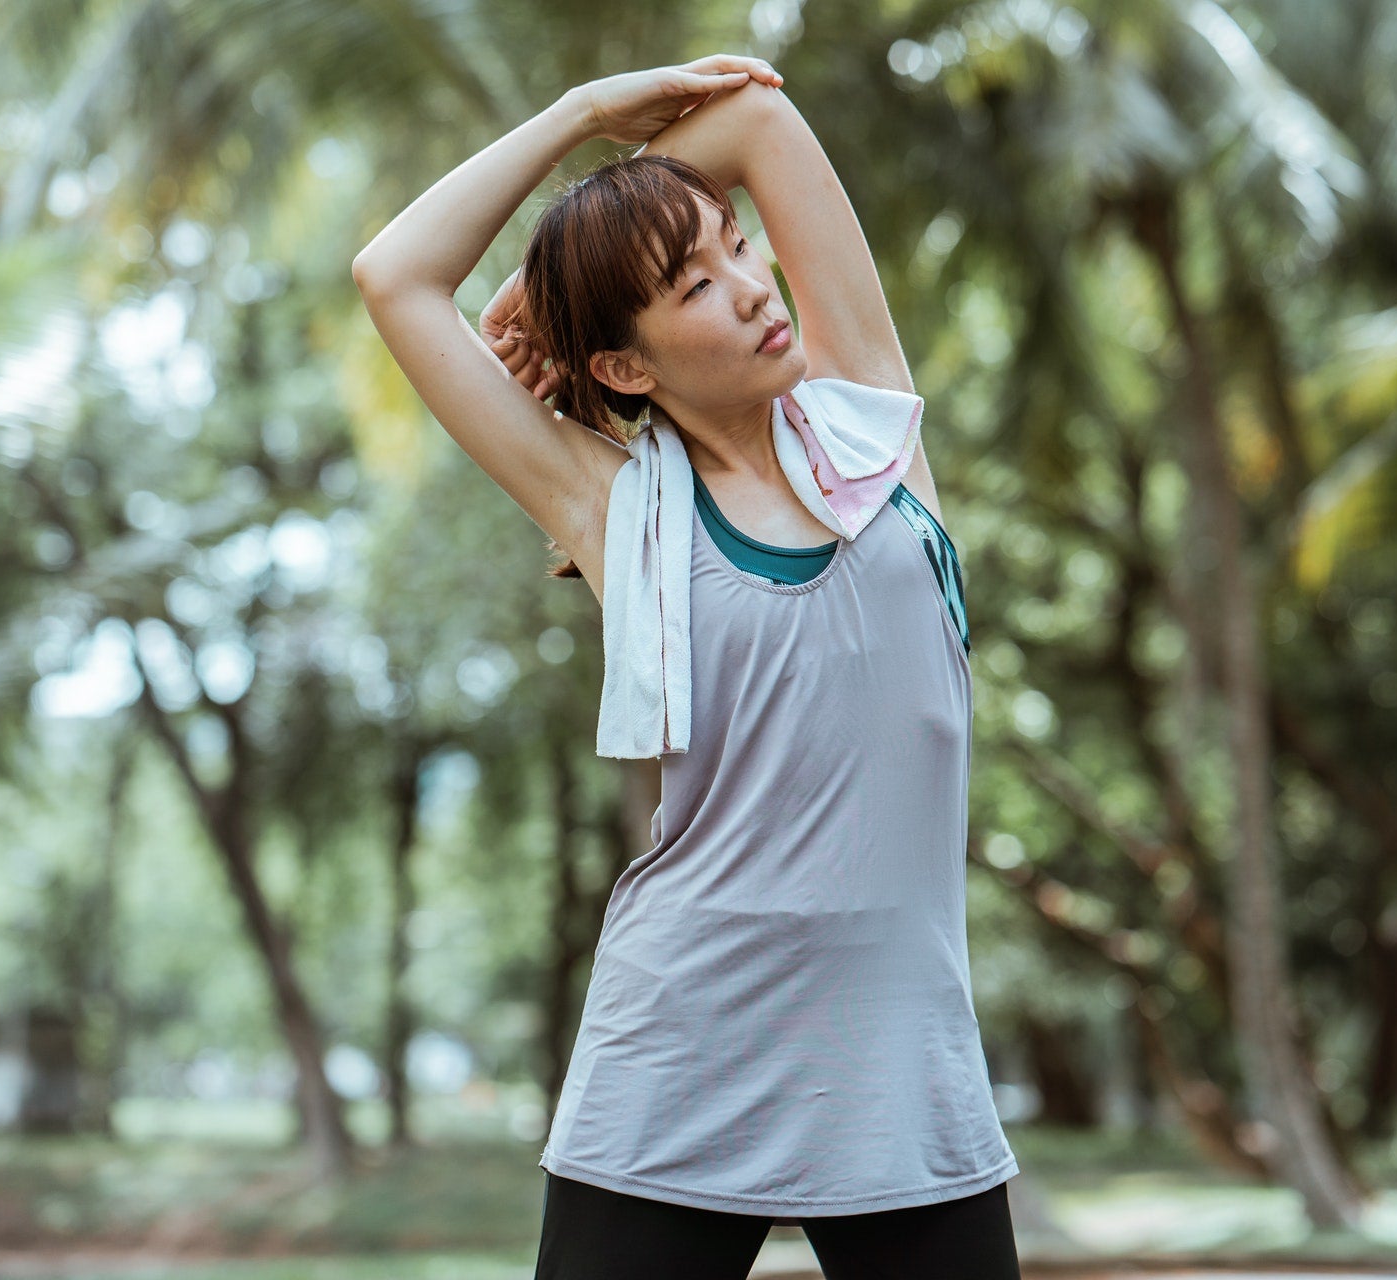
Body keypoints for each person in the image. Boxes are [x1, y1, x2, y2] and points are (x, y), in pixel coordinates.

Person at [352, 55, 1020, 1280]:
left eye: (736, 250)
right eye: (691, 288)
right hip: (679, 1051)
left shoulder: (873, 419)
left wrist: (576, 264)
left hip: (901, 1068)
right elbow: (394, 277)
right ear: (624, 367)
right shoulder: (615, 510)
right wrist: (582, 117)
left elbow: (760, 113)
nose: (753, 289)